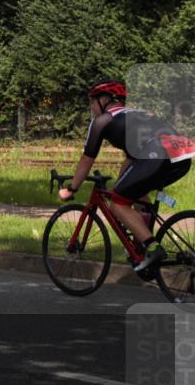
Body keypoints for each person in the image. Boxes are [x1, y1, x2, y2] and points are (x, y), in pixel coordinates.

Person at [59, 80, 195, 272]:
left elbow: (86, 160)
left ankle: (152, 247)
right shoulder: (137, 114)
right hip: (183, 156)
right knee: (132, 194)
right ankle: (142, 239)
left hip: (157, 155)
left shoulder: (102, 121)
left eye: (92, 101)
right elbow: (131, 160)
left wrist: (71, 189)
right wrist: (119, 187)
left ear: (104, 100)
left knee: (117, 204)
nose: (91, 107)